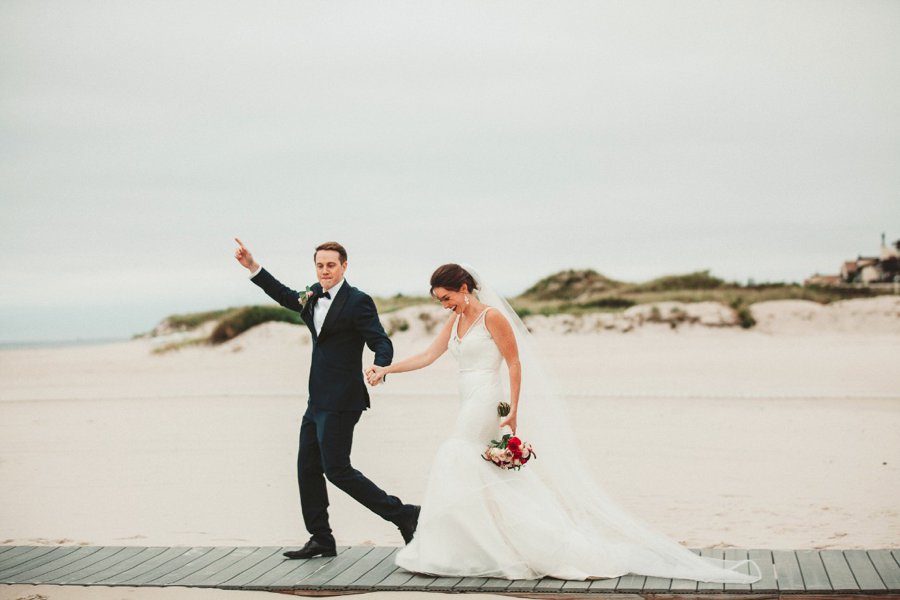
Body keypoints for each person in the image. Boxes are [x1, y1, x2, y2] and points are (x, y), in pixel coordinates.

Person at [365, 263, 762, 583]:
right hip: (464, 396)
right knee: (488, 470)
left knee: (456, 454)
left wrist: (512, 411)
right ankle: (492, 545)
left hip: (487, 397)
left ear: (464, 288)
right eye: (439, 301)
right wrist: (388, 369)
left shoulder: (492, 317)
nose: (444, 305)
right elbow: (429, 356)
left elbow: (515, 363)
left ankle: (472, 548)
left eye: (446, 298)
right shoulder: (454, 323)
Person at [234, 238, 420, 559]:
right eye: (320, 265)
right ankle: (321, 537)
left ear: (344, 266)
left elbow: (380, 340)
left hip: (343, 400)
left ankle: (404, 514)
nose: (325, 271)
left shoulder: (357, 301)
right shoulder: (311, 296)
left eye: (331, 265)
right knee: (307, 467)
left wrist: (380, 366)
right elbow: (282, 294)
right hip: (316, 399)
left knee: (336, 470)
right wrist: (253, 266)